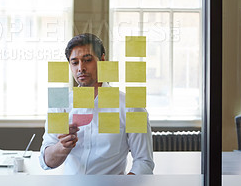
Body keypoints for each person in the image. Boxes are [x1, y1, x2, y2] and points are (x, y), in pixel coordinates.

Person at [39, 33, 154, 175]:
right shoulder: (60, 104)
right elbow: (46, 162)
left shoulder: (131, 107)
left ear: (102, 60)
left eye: (87, 60)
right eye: (74, 62)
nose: (81, 68)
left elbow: (144, 162)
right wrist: (62, 147)